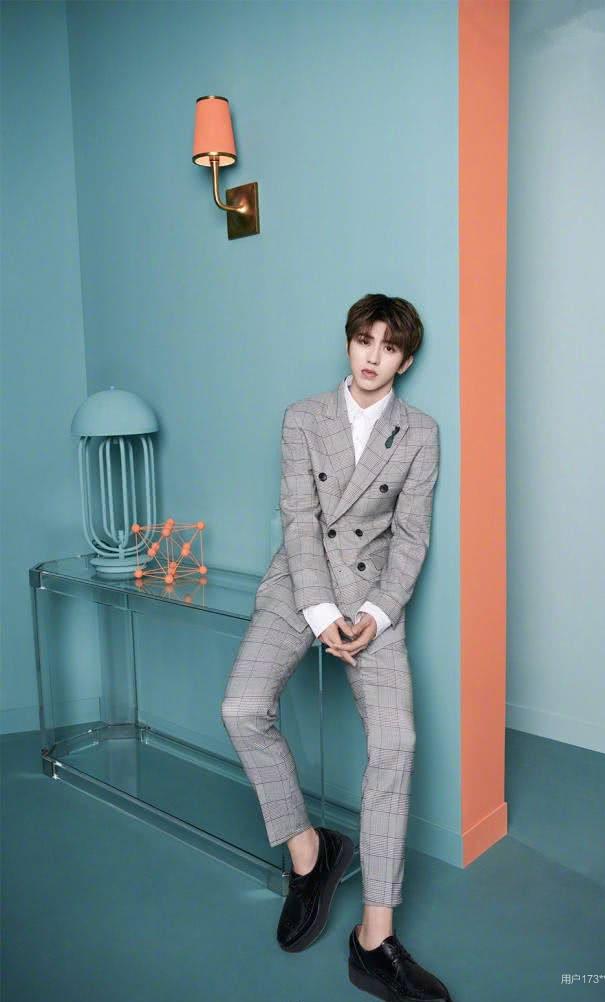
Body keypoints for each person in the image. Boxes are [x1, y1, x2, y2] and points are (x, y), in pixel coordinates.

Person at [221, 293, 452, 1002]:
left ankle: (374, 939)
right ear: (349, 344)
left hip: (373, 598)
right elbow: (298, 520)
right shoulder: (302, 418)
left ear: (404, 361)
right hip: (300, 585)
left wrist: (376, 615)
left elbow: (410, 539)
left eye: (389, 346)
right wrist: (320, 613)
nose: (373, 356)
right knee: (241, 708)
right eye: (364, 340)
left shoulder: (420, 433)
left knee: (396, 743)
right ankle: (309, 852)